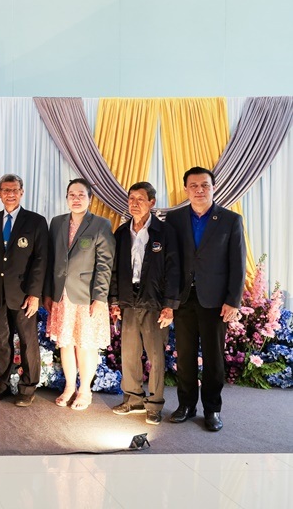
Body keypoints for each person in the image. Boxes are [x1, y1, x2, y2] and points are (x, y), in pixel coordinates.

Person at [165, 167, 245, 432]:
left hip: (216, 301)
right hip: (184, 299)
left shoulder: (230, 220)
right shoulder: (174, 219)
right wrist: (169, 299)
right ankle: (186, 406)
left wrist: (233, 300)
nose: (199, 190)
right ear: (185, 189)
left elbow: (238, 263)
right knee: (185, 356)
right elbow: (170, 261)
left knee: (213, 359)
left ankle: (212, 409)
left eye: (204, 185)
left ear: (213, 188)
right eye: (193, 185)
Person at [109, 182, 180, 425]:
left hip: (155, 302)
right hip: (128, 300)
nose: (135, 203)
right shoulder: (121, 233)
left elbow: (173, 271)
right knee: (129, 352)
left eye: (140, 199)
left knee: (155, 355)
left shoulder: (165, 232)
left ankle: (155, 404)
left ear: (151, 202)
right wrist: (114, 301)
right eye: (131, 198)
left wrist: (169, 305)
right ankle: (133, 399)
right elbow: (115, 270)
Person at [44, 178, 115, 411]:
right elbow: (51, 260)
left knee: (86, 344)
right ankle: (68, 387)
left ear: (90, 199)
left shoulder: (101, 224)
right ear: (66, 198)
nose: (76, 199)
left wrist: (100, 298)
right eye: (72, 195)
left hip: (88, 296)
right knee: (65, 344)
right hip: (62, 296)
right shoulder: (57, 222)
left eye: (81, 195)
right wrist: (48, 293)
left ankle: (85, 390)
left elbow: (105, 264)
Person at [0, 174, 49, 407]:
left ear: (22, 192)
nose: (10, 194)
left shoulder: (36, 221)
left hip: (24, 294)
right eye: (5, 190)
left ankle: (27, 388)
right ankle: (0, 384)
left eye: (14, 190)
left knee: (28, 342)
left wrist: (35, 294)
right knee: (1, 341)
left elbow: (41, 260)